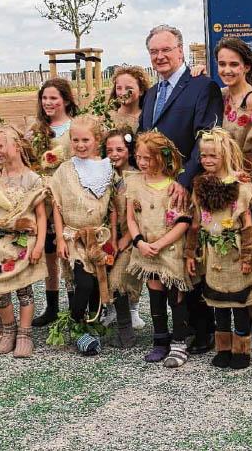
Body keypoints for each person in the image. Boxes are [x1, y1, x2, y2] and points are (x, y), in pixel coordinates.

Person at [139, 24, 223, 354]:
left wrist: (184, 181)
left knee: (191, 259)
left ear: (180, 50)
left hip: (188, 187)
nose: (160, 56)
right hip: (156, 191)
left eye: (166, 50)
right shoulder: (151, 94)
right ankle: (174, 331)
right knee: (165, 259)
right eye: (154, 51)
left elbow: (206, 137)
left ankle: (202, 331)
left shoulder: (203, 87)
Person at [186, 128, 252, 369]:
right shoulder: (200, 185)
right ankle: (223, 348)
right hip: (213, 256)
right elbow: (196, 223)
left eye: (213, 155)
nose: (207, 160)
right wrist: (190, 253)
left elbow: (248, 225)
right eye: (203, 155)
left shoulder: (241, 187)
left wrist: (248, 256)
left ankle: (242, 350)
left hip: (236, 254)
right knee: (217, 302)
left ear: (226, 155)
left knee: (239, 303)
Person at [214, 36, 252, 349]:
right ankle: (239, 320)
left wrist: (239, 182)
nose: (227, 69)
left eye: (234, 64)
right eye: (222, 64)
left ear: (247, 66)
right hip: (221, 190)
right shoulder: (221, 95)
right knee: (231, 254)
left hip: (244, 189)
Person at [49, 114, 117, 355]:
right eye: (75, 140)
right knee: (84, 282)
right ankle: (75, 322)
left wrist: (113, 238)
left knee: (98, 283)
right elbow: (56, 205)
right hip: (73, 237)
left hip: (98, 237)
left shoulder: (108, 168)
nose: (80, 145)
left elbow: (113, 207)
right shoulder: (65, 170)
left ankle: (91, 324)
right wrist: (59, 237)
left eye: (85, 140)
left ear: (97, 140)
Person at [126, 131, 193, 367]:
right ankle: (160, 339)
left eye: (148, 158)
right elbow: (131, 218)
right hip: (146, 250)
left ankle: (180, 342)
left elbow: (183, 221)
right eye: (139, 157)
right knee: (155, 293)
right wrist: (139, 242)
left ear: (162, 157)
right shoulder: (134, 182)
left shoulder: (174, 187)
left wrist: (160, 244)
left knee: (176, 295)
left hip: (170, 251)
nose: (142, 162)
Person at [0, 125, 47, 358]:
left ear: (16, 146)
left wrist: (39, 245)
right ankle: (9, 331)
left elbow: (41, 215)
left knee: (23, 288)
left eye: (1, 145)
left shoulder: (32, 179)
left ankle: (24, 335)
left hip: (22, 244)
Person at [29, 78, 78, 328]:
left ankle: (74, 305)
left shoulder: (74, 128)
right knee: (49, 252)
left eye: (53, 98)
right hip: (43, 198)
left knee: (67, 250)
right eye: (44, 98)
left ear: (66, 100)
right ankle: (52, 306)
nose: (47, 103)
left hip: (67, 195)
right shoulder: (37, 130)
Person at [103, 127, 140, 348]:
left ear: (129, 150)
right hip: (108, 238)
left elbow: (141, 215)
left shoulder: (137, 177)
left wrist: (125, 238)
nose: (114, 154)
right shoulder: (104, 176)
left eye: (119, 149)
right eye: (109, 150)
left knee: (118, 280)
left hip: (131, 238)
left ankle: (126, 333)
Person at [109, 65, 150, 132]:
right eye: (119, 88)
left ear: (141, 91)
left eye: (129, 88)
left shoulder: (147, 118)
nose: (123, 93)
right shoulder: (108, 118)